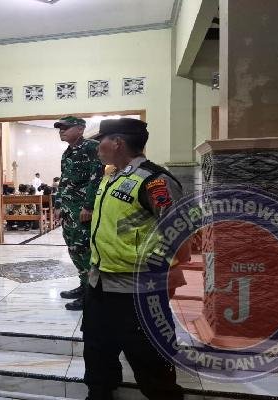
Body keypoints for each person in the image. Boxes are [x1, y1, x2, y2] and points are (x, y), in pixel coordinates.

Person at [83, 118, 185, 400]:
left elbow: (179, 234)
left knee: (149, 357)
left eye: (101, 141)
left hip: (137, 290)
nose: (97, 147)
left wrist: (153, 270)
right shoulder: (111, 176)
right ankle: (99, 392)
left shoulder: (155, 181)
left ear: (117, 142)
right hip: (100, 282)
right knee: (97, 348)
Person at [54, 116, 104, 310]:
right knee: (74, 249)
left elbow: (96, 177)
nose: (61, 131)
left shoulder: (92, 148)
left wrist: (89, 206)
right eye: (60, 128)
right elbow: (64, 180)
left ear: (80, 129)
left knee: (86, 251)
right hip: (69, 210)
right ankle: (83, 286)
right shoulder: (67, 153)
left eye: (66, 127)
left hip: (82, 210)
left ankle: (92, 294)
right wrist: (58, 204)